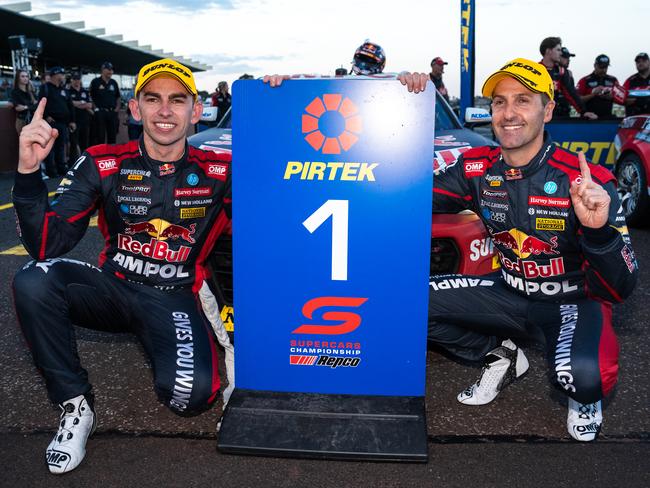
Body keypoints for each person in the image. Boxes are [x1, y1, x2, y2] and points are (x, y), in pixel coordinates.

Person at [12, 58, 232, 474]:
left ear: (196, 110)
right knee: (35, 280)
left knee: (192, 399)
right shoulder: (103, 161)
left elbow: (286, 198)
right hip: (112, 290)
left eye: (177, 100)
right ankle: (75, 405)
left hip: (174, 300)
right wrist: (28, 170)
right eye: (153, 99)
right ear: (135, 109)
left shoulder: (221, 172)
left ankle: (159, 341)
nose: (164, 111)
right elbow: (46, 244)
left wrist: (282, 95)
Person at [399, 58, 637, 441]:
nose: (508, 113)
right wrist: (401, 102)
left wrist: (598, 234)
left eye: (523, 101)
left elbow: (622, 288)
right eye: (499, 102)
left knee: (583, 377)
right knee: (408, 301)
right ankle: (502, 355)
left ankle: (583, 395)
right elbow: (400, 192)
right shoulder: (476, 168)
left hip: (572, 302)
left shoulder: (589, 181)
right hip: (507, 292)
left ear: (548, 110)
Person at [539, 37, 597, 119]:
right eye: (558, 50)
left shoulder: (561, 72)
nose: (560, 53)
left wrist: (583, 111)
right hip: (541, 118)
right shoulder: (536, 70)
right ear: (548, 51)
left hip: (559, 117)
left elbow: (570, 92)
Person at [38, 66, 75, 176]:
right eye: (61, 74)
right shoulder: (46, 88)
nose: (63, 77)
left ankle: (61, 168)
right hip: (50, 123)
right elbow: (40, 104)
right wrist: (46, 116)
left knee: (61, 147)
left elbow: (70, 106)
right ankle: (51, 170)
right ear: (54, 75)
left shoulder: (64, 90)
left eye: (63, 75)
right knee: (50, 148)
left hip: (63, 123)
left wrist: (72, 121)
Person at [576, 55, 620, 119]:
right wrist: (593, 94)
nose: (604, 70)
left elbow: (621, 98)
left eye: (606, 67)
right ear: (595, 65)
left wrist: (611, 97)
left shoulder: (613, 80)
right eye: (601, 67)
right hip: (589, 119)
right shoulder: (585, 80)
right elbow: (577, 100)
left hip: (607, 119)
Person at [90, 61, 121, 144]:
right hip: (100, 112)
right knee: (100, 136)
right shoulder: (95, 82)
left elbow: (118, 97)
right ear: (103, 70)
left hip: (112, 112)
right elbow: (91, 97)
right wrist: (95, 108)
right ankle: (101, 156)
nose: (110, 72)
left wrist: (117, 109)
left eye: (111, 70)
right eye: (108, 69)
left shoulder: (113, 82)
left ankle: (112, 155)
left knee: (112, 136)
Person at [67, 72, 93, 164]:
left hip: (85, 120)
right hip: (74, 120)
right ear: (71, 80)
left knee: (85, 142)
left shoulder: (84, 91)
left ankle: (84, 162)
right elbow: (70, 103)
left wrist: (77, 104)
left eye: (78, 79)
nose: (76, 81)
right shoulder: (68, 91)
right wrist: (82, 104)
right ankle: (73, 163)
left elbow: (89, 105)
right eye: (75, 79)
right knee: (74, 143)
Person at [9, 69, 37, 135]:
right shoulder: (15, 92)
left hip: (33, 119)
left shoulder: (31, 92)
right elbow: (18, 108)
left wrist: (26, 107)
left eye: (27, 76)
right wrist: (31, 105)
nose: (25, 78)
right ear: (18, 78)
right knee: (25, 143)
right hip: (22, 121)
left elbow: (37, 105)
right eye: (23, 76)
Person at [623, 52, 650, 116]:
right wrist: (626, 101)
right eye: (638, 62)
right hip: (634, 119)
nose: (640, 63)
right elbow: (621, 98)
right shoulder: (629, 80)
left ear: (649, 62)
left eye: (643, 61)